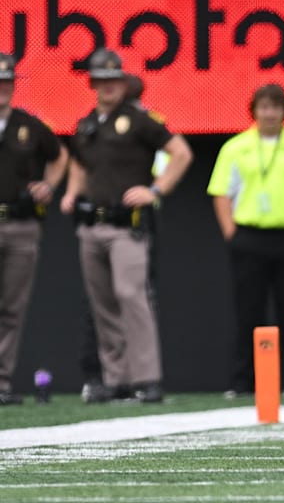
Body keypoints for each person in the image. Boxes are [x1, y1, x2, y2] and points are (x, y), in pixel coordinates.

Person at [61, 47, 193, 404]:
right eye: (102, 80)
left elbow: (181, 152)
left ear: (122, 81)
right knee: (101, 303)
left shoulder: (140, 119)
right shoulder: (87, 123)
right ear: (93, 83)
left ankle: (146, 377)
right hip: (92, 223)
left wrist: (156, 189)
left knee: (131, 296)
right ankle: (115, 377)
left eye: (113, 79)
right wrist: (72, 193)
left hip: (126, 226)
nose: (108, 86)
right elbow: (77, 164)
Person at [207, 83, 284, 398]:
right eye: (263, 107)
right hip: (249, 237)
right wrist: (231, 233)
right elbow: (221, 192)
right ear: (255, 111)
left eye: (275, 107)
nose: (269, 113)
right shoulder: (236, 148)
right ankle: (244, 382)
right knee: (248, 311)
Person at [0, 52, 68, 406]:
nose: (3, 88)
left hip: (20, 223)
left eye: (7, 82)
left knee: (11, 307)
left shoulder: (28, 125)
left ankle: (2, 382)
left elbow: (60, 155)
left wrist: (48, 186)